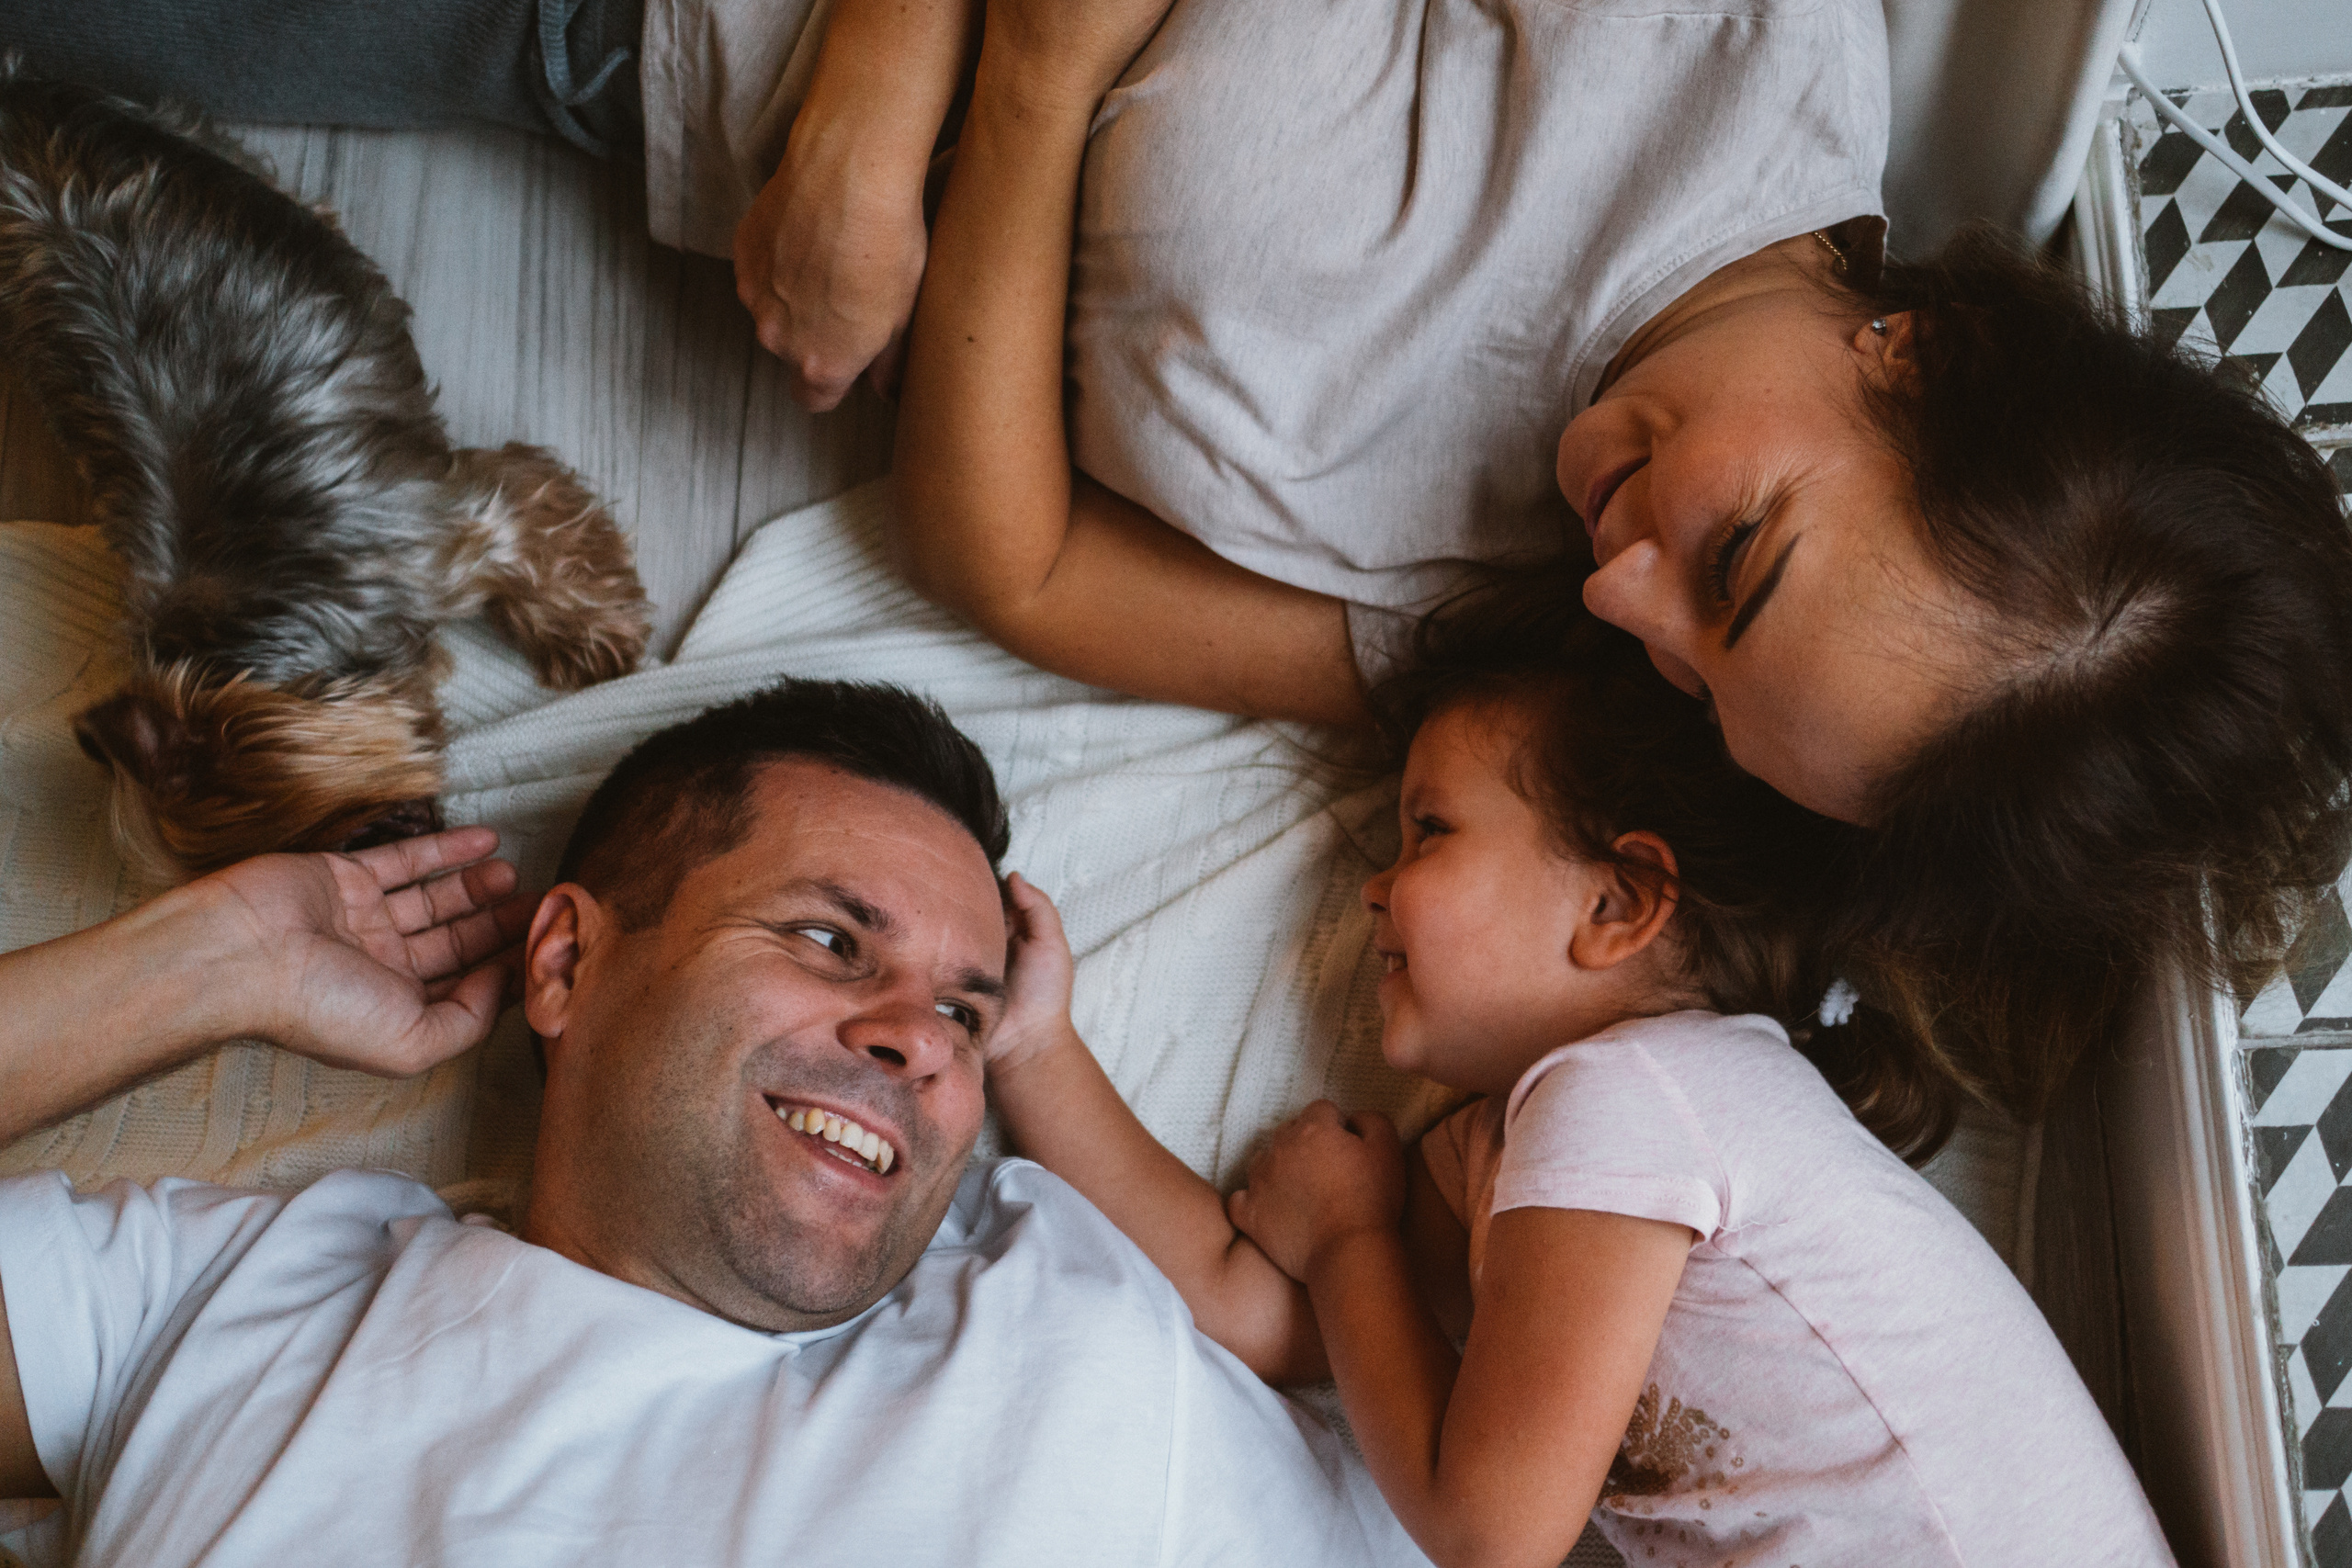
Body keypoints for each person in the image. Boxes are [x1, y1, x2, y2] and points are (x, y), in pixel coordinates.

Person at [0, 679, 1423, 1568]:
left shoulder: (1073, 1327)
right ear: (566, 964)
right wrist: (199, 967)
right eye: (826, 940)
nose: (920, 1038)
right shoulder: (238, 1305)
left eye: (967, 1015)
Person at [978, 589, 2176, 1566]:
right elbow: (1266, 1312)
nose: (1373, 888)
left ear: (1617, 903)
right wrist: (1036, 1047)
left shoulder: (1638, 1096)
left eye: (1430, 831)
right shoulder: (1530, 1147)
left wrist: (1351, 1244)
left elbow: (1489, 1533)